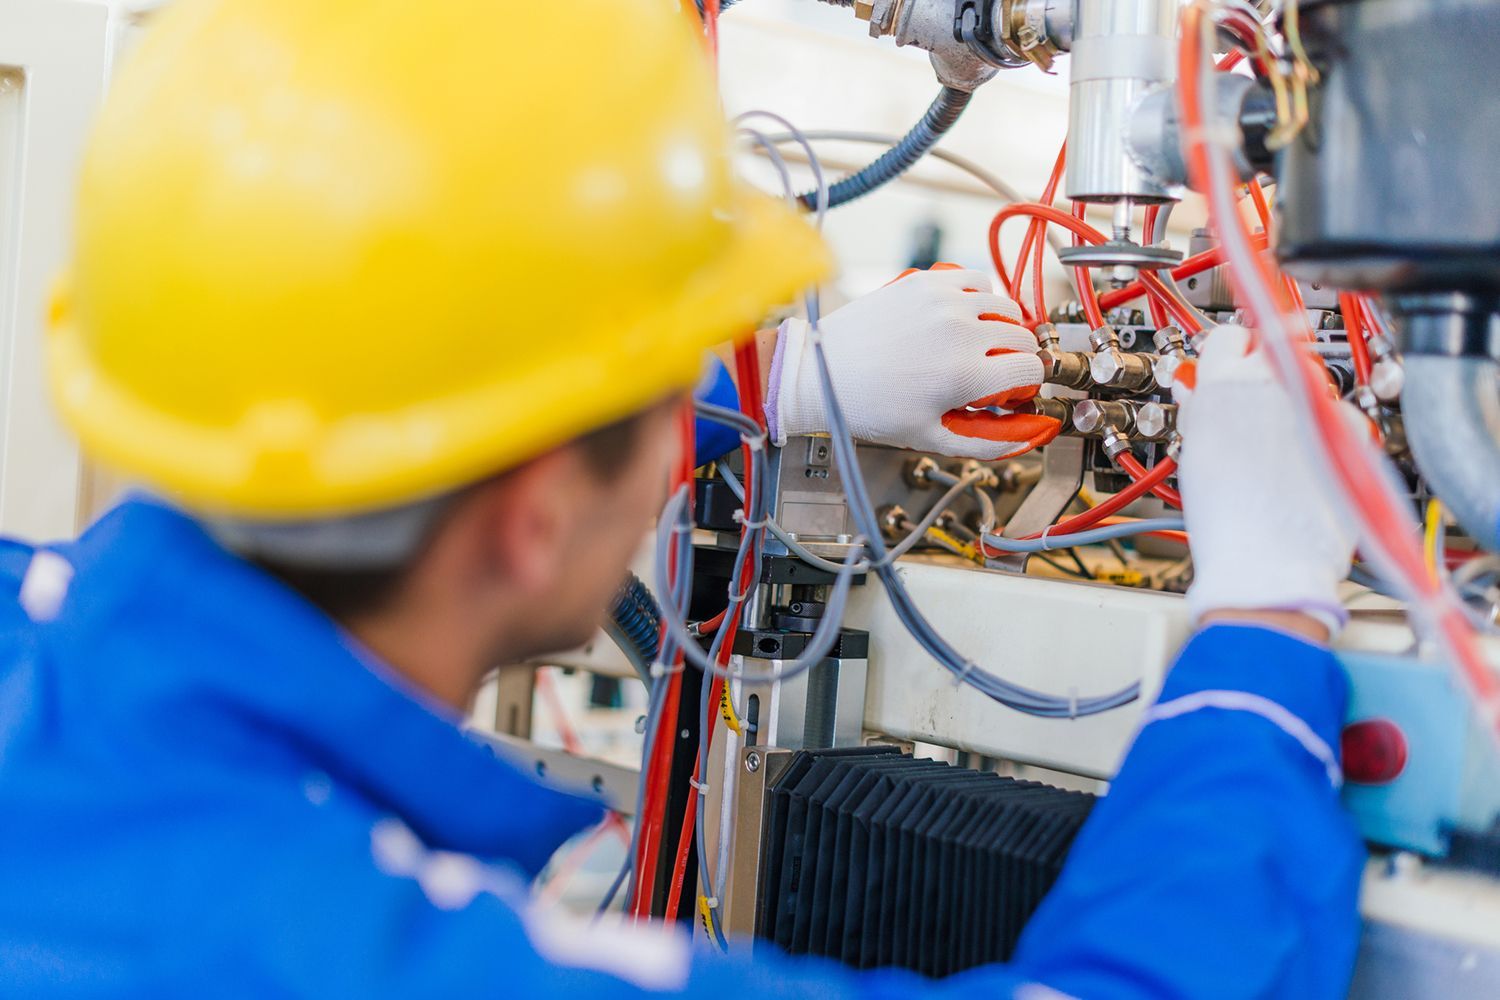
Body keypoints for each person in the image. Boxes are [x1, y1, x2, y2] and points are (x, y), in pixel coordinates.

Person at [0, 1, 1364, 996]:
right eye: (661, 396)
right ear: (532, 518)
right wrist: (1262, 630)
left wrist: (777, 382)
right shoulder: (375, 960)